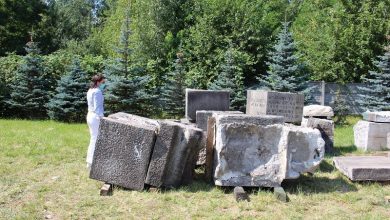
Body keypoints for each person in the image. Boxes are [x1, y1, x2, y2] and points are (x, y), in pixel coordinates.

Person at [86, 74, 106, 168]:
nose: (103, 84)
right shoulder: (97, 91)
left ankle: (90, 161)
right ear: (98, 82)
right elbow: (98, 107)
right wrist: (102, 118)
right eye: (102, 82)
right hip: (95, 117)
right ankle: (91, 162)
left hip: (90, 115)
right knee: (95, 139)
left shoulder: (90, 90)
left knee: (93, 138)